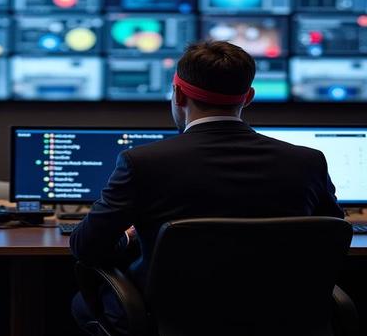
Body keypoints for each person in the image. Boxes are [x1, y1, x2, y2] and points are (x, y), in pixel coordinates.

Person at [69, 41, 343, 334]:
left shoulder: (142, 162)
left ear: (177, 93)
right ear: (248, 97)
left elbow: (86, 247)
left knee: (81, 303)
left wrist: (129, 238)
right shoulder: (307, 162)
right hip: (283, 317)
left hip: (170, 319)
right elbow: (332, 237)